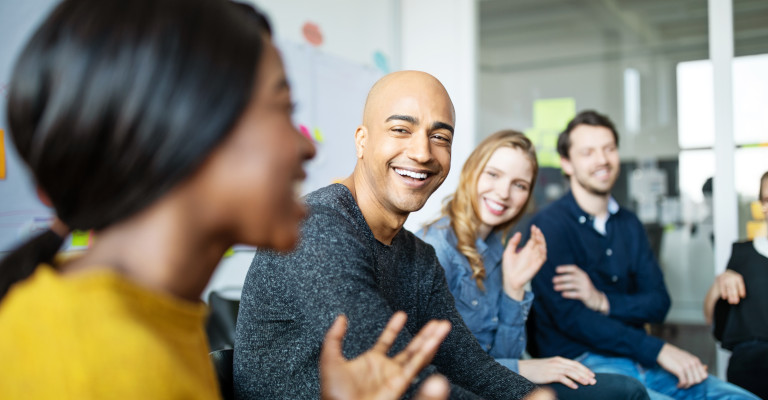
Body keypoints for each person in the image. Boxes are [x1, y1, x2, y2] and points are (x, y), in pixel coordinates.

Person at [0, 1, 451, 399]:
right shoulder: (97, 361)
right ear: (189, 135)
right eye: (281, 109)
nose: (307, 148)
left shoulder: (157, 318)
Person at [235, 71, 554, 400]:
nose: (422, 153)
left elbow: (468, 365)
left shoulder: (420, 258)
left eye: (440, 137)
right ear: (362, 140)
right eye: (401, 129)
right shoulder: (318, 227)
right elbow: (400, 376)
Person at [517, 110, 759, 400]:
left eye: (609, 149)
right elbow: (574, 320)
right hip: (586, 364)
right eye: (588, 152)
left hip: (641, 359)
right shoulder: (550, 226)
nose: (602, 160)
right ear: (567, 163)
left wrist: (603, 301)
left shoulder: (629, 224)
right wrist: (658, 349)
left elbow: (658, 303)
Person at [416, 129, 650, 399]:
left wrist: (514, 288)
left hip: (497, 384)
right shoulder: (436, 250)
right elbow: (437, 367)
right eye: (493, 174)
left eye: (520, 185)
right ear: (471, 172)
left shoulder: (495, 249)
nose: (504, 192)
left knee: (627, 389)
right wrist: (525, 368)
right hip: (463, 391)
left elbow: (503, 355)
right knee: (628, 392)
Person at [704, 165, 768, 400]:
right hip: (750, 368)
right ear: (761, 205)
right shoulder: (743, 254)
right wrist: (720, 283)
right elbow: (711, 318)